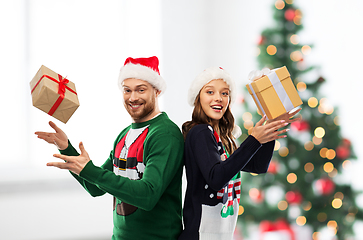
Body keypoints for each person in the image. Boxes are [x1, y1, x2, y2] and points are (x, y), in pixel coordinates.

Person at [35, 56, 184, 240]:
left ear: (157, 91)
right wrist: (66, 149)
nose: (133, 97)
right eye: (127, 90)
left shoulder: (165, 134)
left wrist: (90, 170)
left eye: (141, 90)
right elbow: (95, 187)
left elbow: (148, 195)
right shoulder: (124, 135)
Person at [178, 67, 300, 240]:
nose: (218, 98)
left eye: (225, 93)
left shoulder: (222, 138)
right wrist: (254, 139)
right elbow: (216, 178)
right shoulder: (201, 132)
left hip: (219, 233)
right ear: (198, 97)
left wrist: (270, 129)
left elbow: (258, 166)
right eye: (210, 92)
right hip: (200, 233)